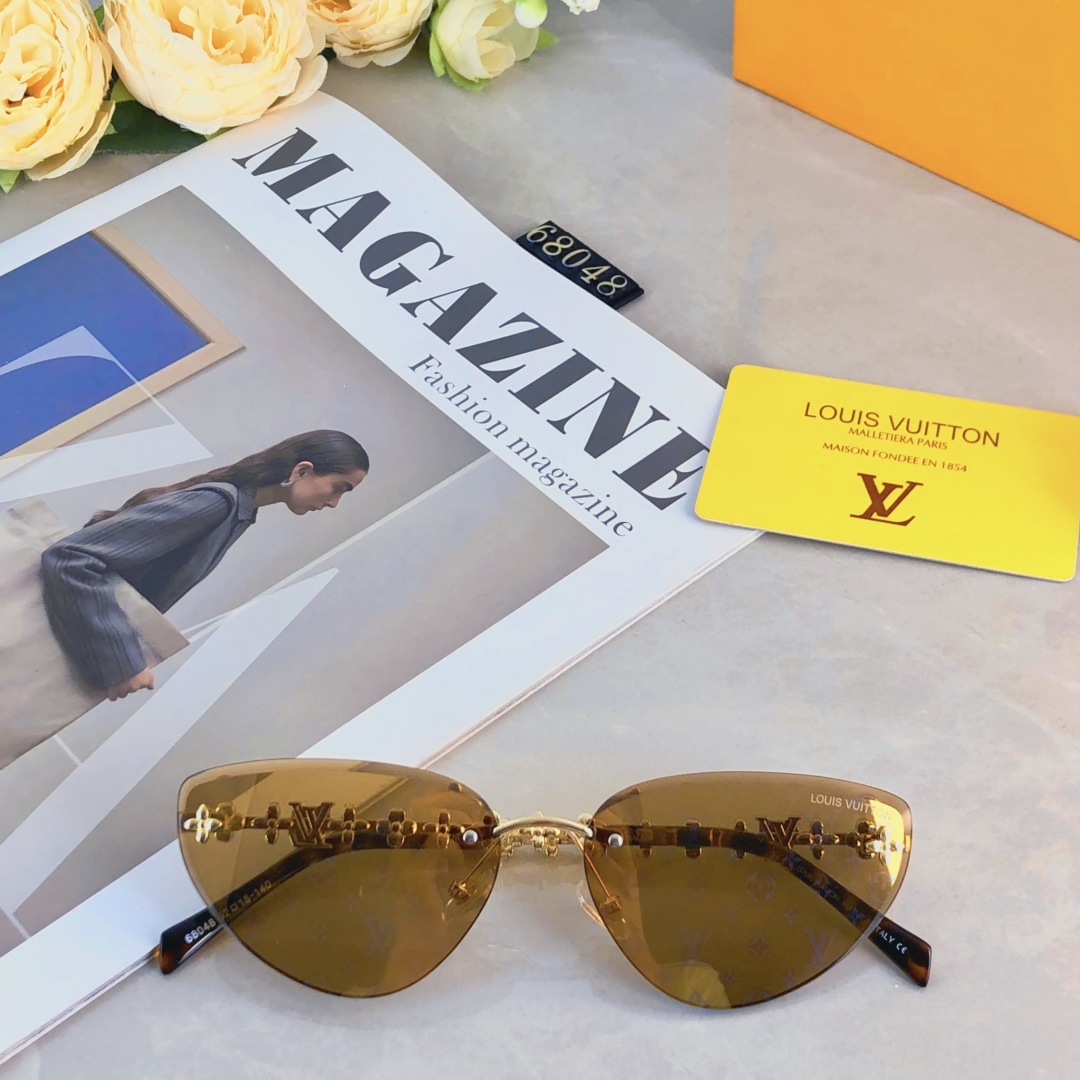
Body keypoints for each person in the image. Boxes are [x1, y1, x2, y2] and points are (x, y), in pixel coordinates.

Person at [40, 430, 369, 702]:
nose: (334, 503)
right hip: (46, 642)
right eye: (339, 488)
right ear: (302, 471)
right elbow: (71, 557)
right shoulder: (216, 504)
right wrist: (122, 662)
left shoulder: (233, 512)